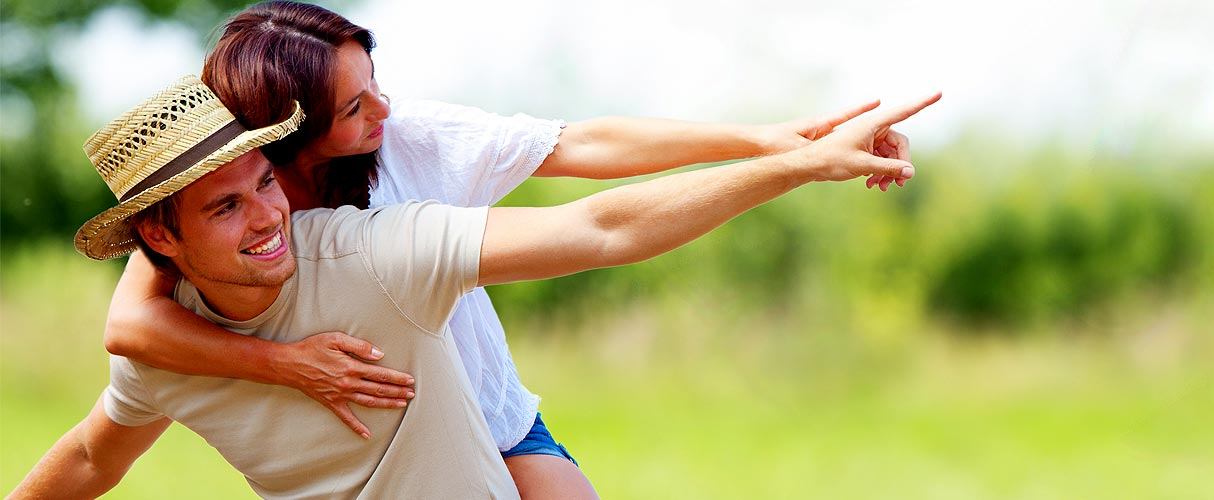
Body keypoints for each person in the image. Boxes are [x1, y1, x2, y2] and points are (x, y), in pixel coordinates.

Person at [98, 2, 913, 497]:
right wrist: (292, 364)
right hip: (368, 455)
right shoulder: (240, 198)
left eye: (376, 79)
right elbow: (132, 331)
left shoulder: (408, 146)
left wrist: (772, 141)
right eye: (353, 106)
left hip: (491, 420)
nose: (384, 108)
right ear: (289, 131)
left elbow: (583, 148)